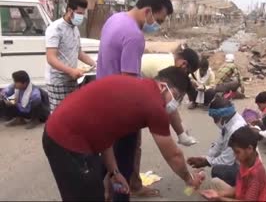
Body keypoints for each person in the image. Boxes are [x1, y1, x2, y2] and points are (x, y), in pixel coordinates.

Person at [43, 66, 204, 201]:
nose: (174, 104)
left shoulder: (138, 90)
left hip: (63, 133)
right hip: (66, 140)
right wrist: (189, 179)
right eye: (175, 97)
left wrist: (114, 172)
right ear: (163, 86)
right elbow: (173, 155)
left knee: (94, 192)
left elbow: (107, 136)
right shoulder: (154, 104)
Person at [96, 0, 174, 198]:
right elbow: (129, 85)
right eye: (158, 19)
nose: (158, 25)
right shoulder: (134, 35)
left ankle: (103, 193)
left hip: (101, 99)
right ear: (148, 11)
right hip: (120, 111)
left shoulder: (115, 19)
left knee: (106, 159)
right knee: (122, 165)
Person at [45, 0, 96, 112]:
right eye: (79, 13)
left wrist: (95, 64)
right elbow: (51, 58)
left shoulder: (75, 29)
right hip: (57, 81)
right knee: (59, 115)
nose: (81, 17)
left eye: (83, 14)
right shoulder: (55, 29)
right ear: (69, 10)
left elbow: (79, 52)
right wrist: (71, 71)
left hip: (72, 79)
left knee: (71, 113)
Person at [141, 47, 200, 146]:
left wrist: (182, 129)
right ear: (184, 64)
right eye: (187, 72)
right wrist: (180, 133)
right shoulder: (168, 68)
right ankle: (182, 136)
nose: (185, 75)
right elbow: (169, 104)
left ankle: (182, 135)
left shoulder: (168, 59)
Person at [187, 95, 246, 186]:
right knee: (217, 163)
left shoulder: (236, 129)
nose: (214, 121)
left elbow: (227, 160)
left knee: (218, 171)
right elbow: (220, 143)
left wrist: (207, 162)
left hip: (245, 166)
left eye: (215, 118)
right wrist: (205, 158)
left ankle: (236, 188)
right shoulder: (229, 122)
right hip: (237, 159)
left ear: (223, 116)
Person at [200, 126, 266, 201]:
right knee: (214, 182)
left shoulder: (256, 174)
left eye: (237, 152)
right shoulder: (246, 162)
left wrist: (220, 198)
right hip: (241, 196)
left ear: (249, 149)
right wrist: (218, 194)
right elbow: (238, 188)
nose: (235, 156)